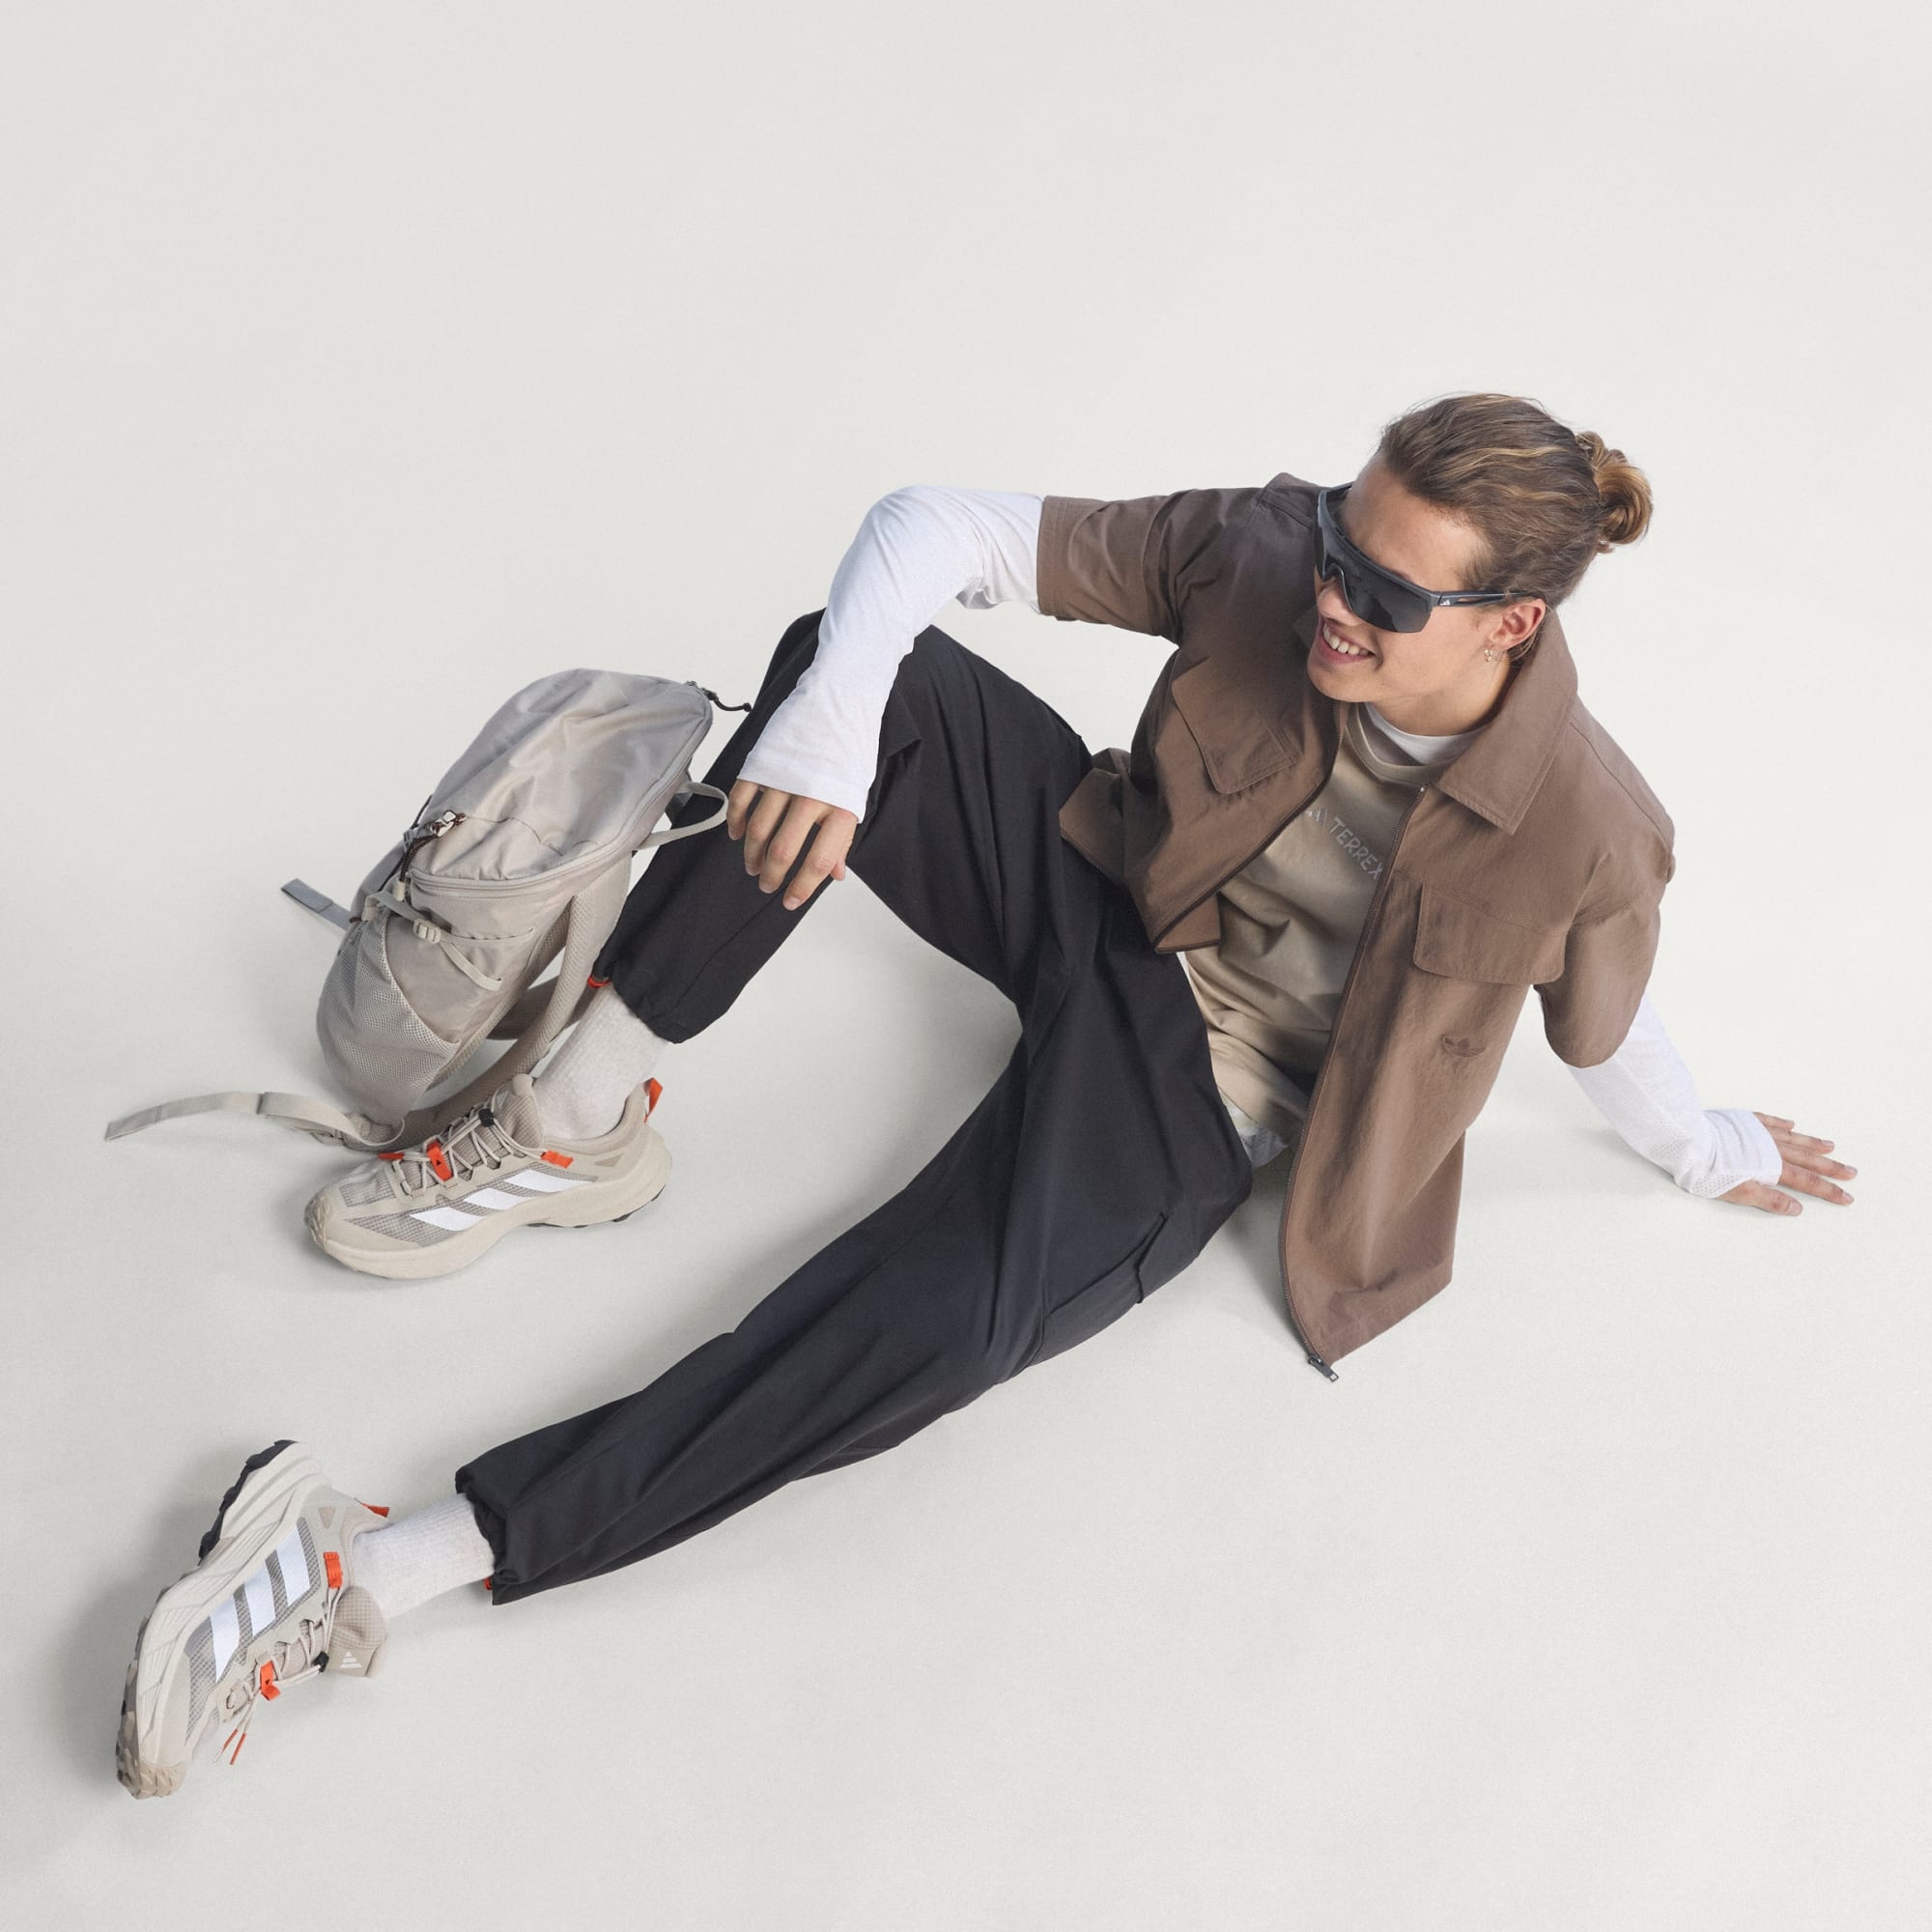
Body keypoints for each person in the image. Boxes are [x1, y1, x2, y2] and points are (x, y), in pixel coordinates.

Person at [114, 392, 1856, 1798]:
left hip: (1206, 1095)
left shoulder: (1589, 828)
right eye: (1343, 542)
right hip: (1106, 895)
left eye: (1390, 596)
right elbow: (934, 528)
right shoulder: (1265, 552)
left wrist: (1709, 1150)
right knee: (863, 671)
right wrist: (827, 729)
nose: (1338, 596)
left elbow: (1602, 1034)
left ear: (1511, 623)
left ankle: (366, 1565)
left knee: (927, 1331)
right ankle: (574, 1121)